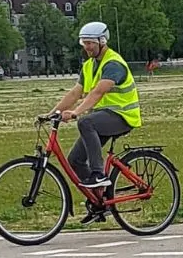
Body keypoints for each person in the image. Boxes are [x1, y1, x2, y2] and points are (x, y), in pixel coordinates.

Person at [48, 21, 142, 210]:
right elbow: (76, 93)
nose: (87, 47)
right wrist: (53, 113)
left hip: (123, 116)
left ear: (102, 41)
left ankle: (98, 174)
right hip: (103, 118)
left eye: (90, 42)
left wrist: (75, 113)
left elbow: (98, 92)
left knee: (85, 122)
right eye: (84, 43)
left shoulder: (113, 63)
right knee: (75, 160)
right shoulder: (89, 66)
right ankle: (100, 201)